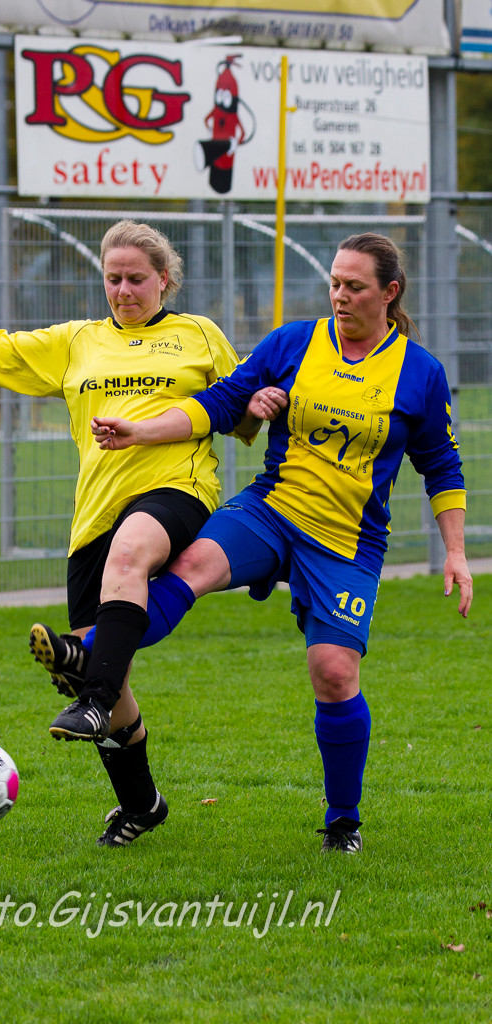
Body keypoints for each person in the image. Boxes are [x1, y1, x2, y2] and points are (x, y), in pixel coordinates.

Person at [56, 232, 472, 853]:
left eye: (355, 286)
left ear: (390, 292)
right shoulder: (293, 343)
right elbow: (221, 404)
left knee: (334, 672)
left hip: (347, 541)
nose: (340, 296)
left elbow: (442, 467)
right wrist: (144, 430)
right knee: (191, 565)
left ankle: (343, 821)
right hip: (269, 511)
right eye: (334, 283)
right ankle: (86, 655)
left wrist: (456, 552)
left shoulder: (420, 372)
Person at [0, 219, 287, 848]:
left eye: (136, 279)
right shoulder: (76, 341)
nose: (123, 290)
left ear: (165, 280)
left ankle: (91, 694)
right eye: (113, 278)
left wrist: (258, 407)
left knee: (122, 581)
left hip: (177, 491)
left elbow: (237, 411)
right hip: (95, 514)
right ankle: (141, 803)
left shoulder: (199, 334)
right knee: (104, 676)